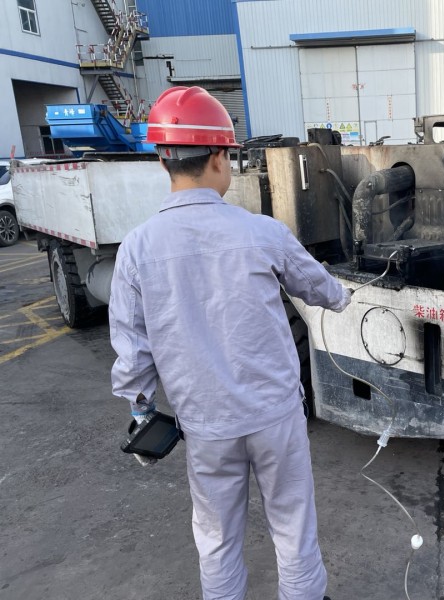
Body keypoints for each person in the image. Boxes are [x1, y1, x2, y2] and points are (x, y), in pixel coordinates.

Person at [109, 86, 348, 600]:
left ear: (163, 159)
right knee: (292, 524)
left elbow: (132, 349)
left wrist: (141, 410)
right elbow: (322, 290)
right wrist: (344, 294)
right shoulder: (262, 232)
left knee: (216, 538)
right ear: (219, 156)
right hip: (274, 415)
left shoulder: (136, 248)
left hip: (206, 425)